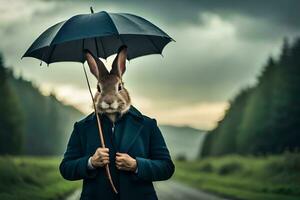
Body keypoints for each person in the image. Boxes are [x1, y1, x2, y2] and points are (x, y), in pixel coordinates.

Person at [59, 46, 175, 200]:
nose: (108, 99)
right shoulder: (82, 128)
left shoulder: (147, 125)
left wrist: (136, 165)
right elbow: (66, 168)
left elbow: (166, 168)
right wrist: (90, 162)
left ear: (123, 87)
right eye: (101, 90)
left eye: (117, 88)